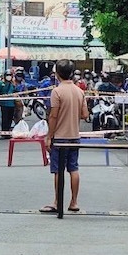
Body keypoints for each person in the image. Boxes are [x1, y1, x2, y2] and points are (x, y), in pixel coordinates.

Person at [42, 60, 88, 213]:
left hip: (60, 138)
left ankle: (57, 201)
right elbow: (85, 114)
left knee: (58, 170)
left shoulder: (57, 92)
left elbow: (53, 116)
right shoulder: (79, 91)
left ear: (57, 74)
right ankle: (74, 202)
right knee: (73, 169)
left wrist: (49, 136)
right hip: (75, 137)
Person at [0, 70, 16, 139]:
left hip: (12, 104)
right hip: (3, 104)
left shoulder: (13, 84)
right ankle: (4, 133)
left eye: (10, 75)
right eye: (7, 75)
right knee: (4, 119)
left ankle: (8, 133)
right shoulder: (1, 84)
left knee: (10, 119)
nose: (9, 76)